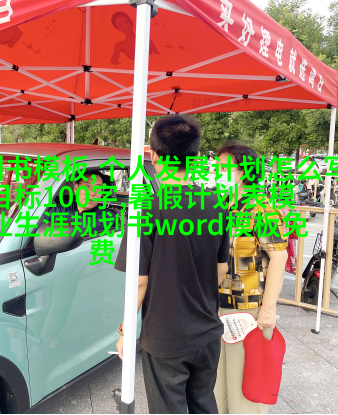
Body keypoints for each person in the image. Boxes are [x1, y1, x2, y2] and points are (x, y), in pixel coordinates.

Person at [114, 114, 230, 414]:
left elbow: (140, 282)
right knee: (204, 404)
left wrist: (125, 332)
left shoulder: (146, 209)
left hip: (166, 337)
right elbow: (221, 269)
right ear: (196, 155)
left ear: (153, 156)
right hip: (207, 331)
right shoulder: (217, 204)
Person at [213, 143, 289, 414]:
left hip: (249, 310)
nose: (217, 172)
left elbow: (279, 257)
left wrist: (268, 309)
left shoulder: (261, 209)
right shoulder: (223, 204)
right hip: (219, 305)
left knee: (246, 390)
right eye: (216, 167)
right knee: (218, 387)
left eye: (224, 167)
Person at [49, 171, 117, 233]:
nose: (92, 193)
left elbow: (87, 240)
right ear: (76, 188)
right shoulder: (60, 209)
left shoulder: (105, 216)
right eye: (87, 186)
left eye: (98, 188)